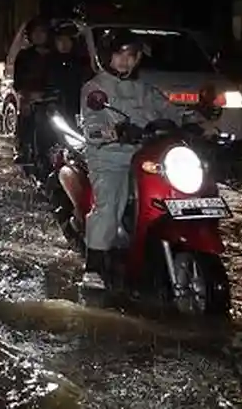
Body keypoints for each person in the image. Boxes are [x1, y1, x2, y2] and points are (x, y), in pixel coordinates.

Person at [77, 30, 212, 290]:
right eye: (120, 55)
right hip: (110, 157)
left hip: (147, 154)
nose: (126, 61)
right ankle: (94, 265)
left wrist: (195, 121)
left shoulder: (143, 89)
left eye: (132, 56)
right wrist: (115, 132)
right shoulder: (95, 89)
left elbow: (169, 110)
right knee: (110, 203)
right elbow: (92, 127)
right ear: (107, 56)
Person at [13, 18, 53, 164]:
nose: (38, 35)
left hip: (51, 99)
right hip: (30, 99)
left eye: (42, 32)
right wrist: (27, 95)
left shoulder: (54, 56)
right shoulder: (24, 56)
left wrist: (48, 94)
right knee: (26, 118)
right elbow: (18, 81)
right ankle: (24, 149)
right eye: (35, 32)